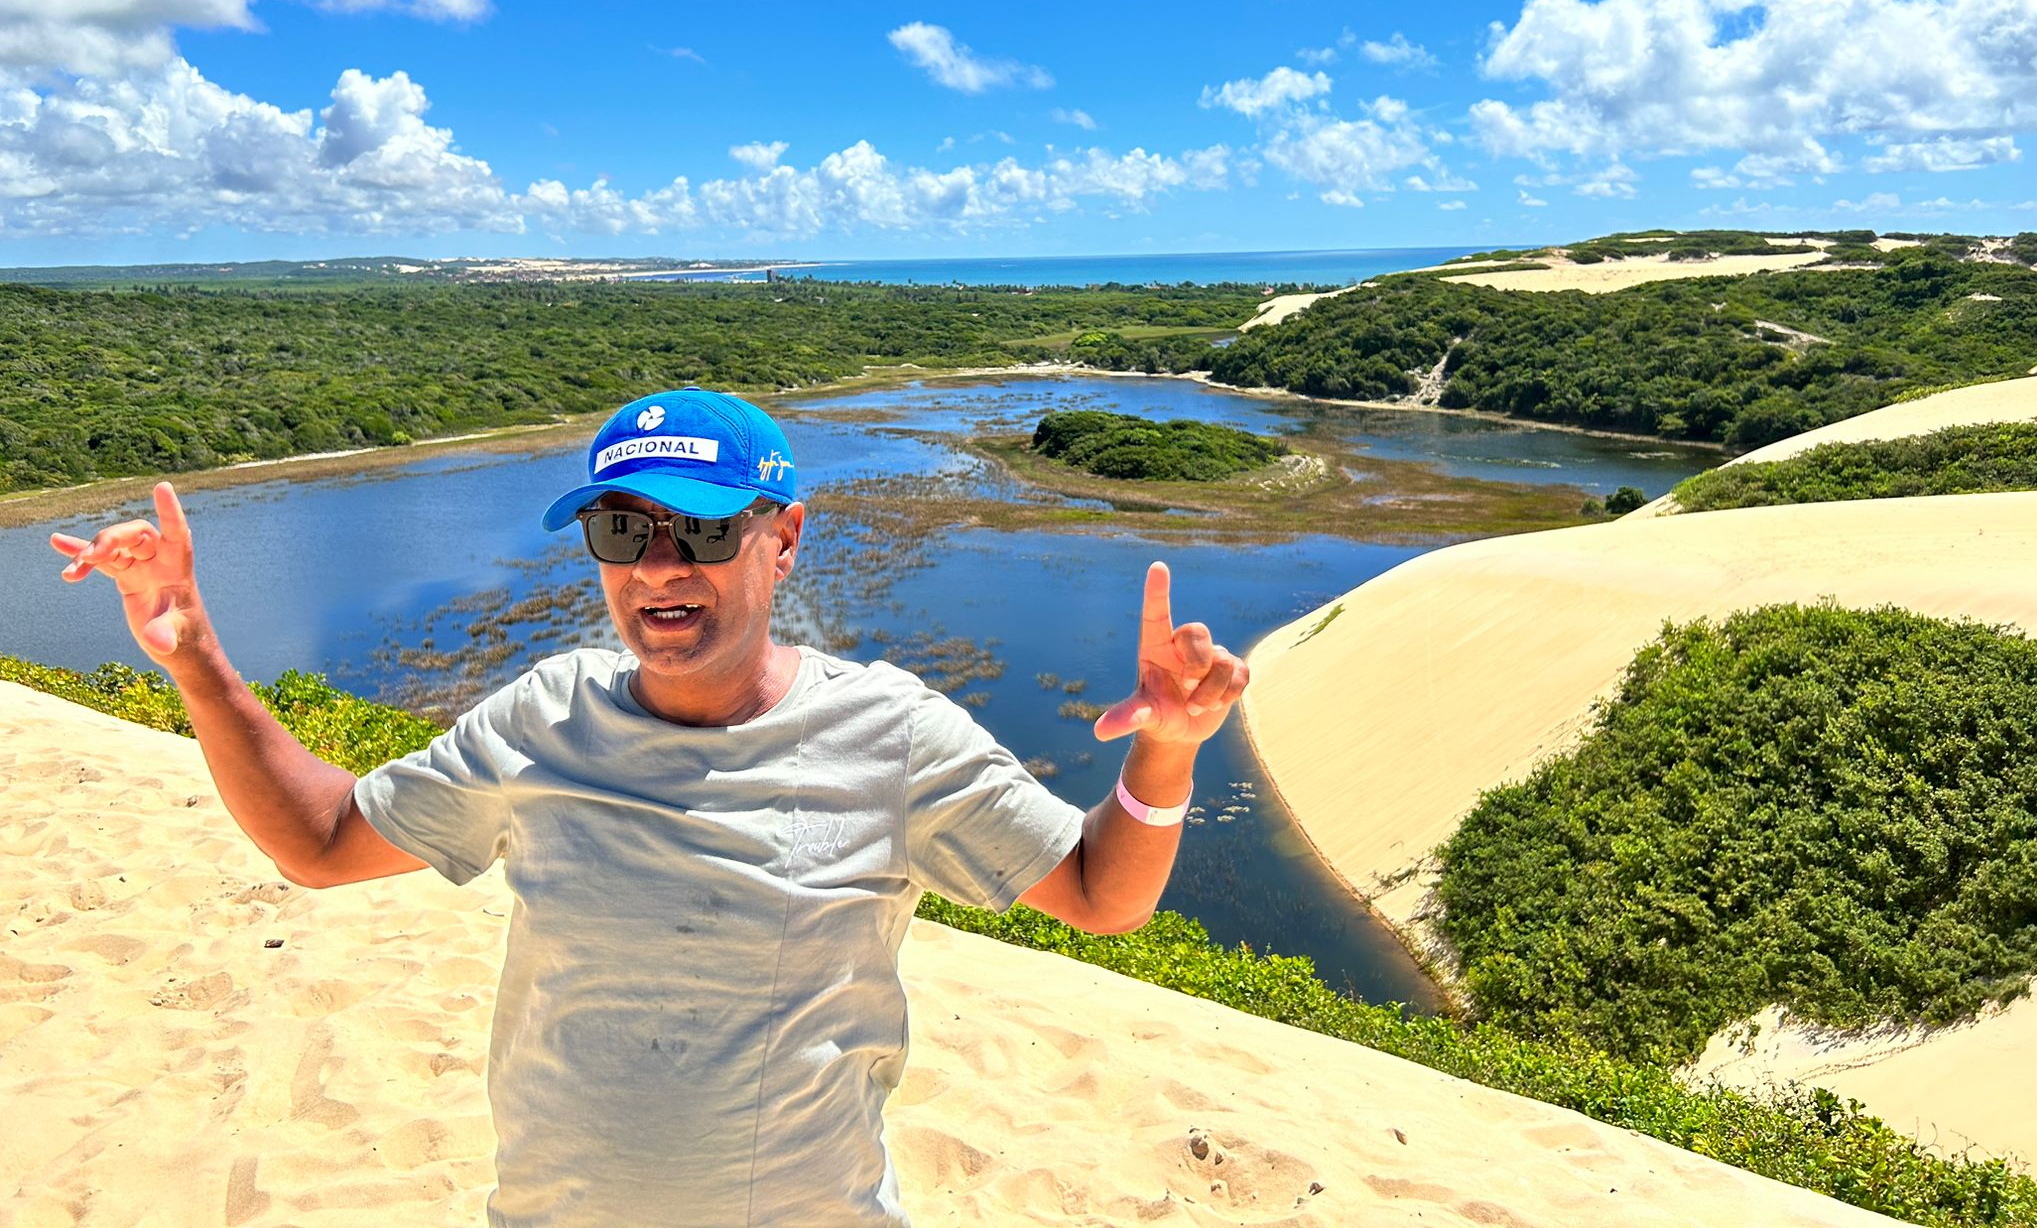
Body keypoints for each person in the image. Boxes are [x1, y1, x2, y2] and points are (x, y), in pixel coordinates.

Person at [51, 387, 1252, 1227]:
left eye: (701, 529)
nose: (660, 566)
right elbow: (318, 844)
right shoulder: (542, 718)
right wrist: (195, 657)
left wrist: (1165, 758)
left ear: (783, 539)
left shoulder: (889, 732)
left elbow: (1100, 899)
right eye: (623, 531)